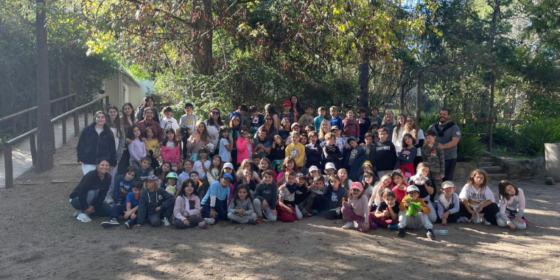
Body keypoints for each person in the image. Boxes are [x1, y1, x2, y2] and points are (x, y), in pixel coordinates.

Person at [427, 109, 461, 181]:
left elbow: (455, 141)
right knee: (433, 179)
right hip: (435, 158)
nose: (442, 116)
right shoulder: (432, 127)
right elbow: (426, 139)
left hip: (449, 157)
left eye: (444, 114)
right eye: (441, 114)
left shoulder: (454, 127)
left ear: (449, 116)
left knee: (446, 179)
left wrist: (443, 146)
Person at [105, 105, 126, 204]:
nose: (112, 113)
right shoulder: (104, 125)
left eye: (114, 111)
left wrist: (119, 155)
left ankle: (109, 195)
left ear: (117, 113)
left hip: (115, 156)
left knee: (112, 176)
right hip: (104, 155)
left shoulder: (120, 126)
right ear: (107, 113)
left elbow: (122, 142)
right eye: (110, 111)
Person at [117, 102, 137, 175]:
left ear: (132, 109)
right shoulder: (120, 120)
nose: (127, 110)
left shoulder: (135, 119)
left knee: (130, 165)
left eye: (128, 108)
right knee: (122, 166)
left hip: (133, 145)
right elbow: (119, 132)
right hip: (124, 146)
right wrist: (125, 140)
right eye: (125, 109)